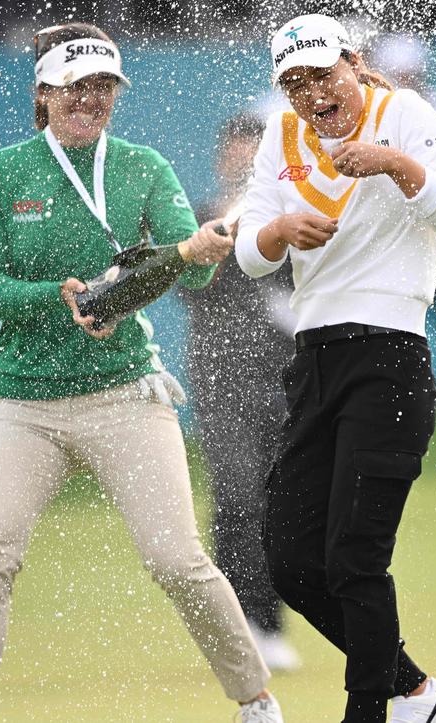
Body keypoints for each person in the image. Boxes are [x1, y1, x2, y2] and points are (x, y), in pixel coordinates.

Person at [0, 22, 284, 723]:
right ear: (43, 93)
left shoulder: (141, 166)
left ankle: (256, 700)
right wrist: (58, 297)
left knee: (176, 558)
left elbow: (183, 269)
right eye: (75, 87)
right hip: (23, 401)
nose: (90, 99)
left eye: (103, 87)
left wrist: (196, 251)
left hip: (125, 393)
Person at [235, 13, 436, 723]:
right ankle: (417, 692)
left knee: (353, 556)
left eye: (323, 73)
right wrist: (280, 230)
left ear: (354, 61)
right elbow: (251, 247)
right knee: (290, 556)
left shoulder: (402, 113)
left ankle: (371, 711)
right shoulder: (281, 139)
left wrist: (396, 166)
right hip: (314, 363)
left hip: (391, 358)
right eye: (295, 82)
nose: (313, 92)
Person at [182, 113, 300, 671]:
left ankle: (270, 623)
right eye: (233, 152)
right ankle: (240, 626)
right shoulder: (205, 220)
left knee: (280, 500)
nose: (240, 161)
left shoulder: (286, 220)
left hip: (285, 378)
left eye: (252, 154)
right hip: (219, 380)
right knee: (236, 495)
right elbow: (187, 283)